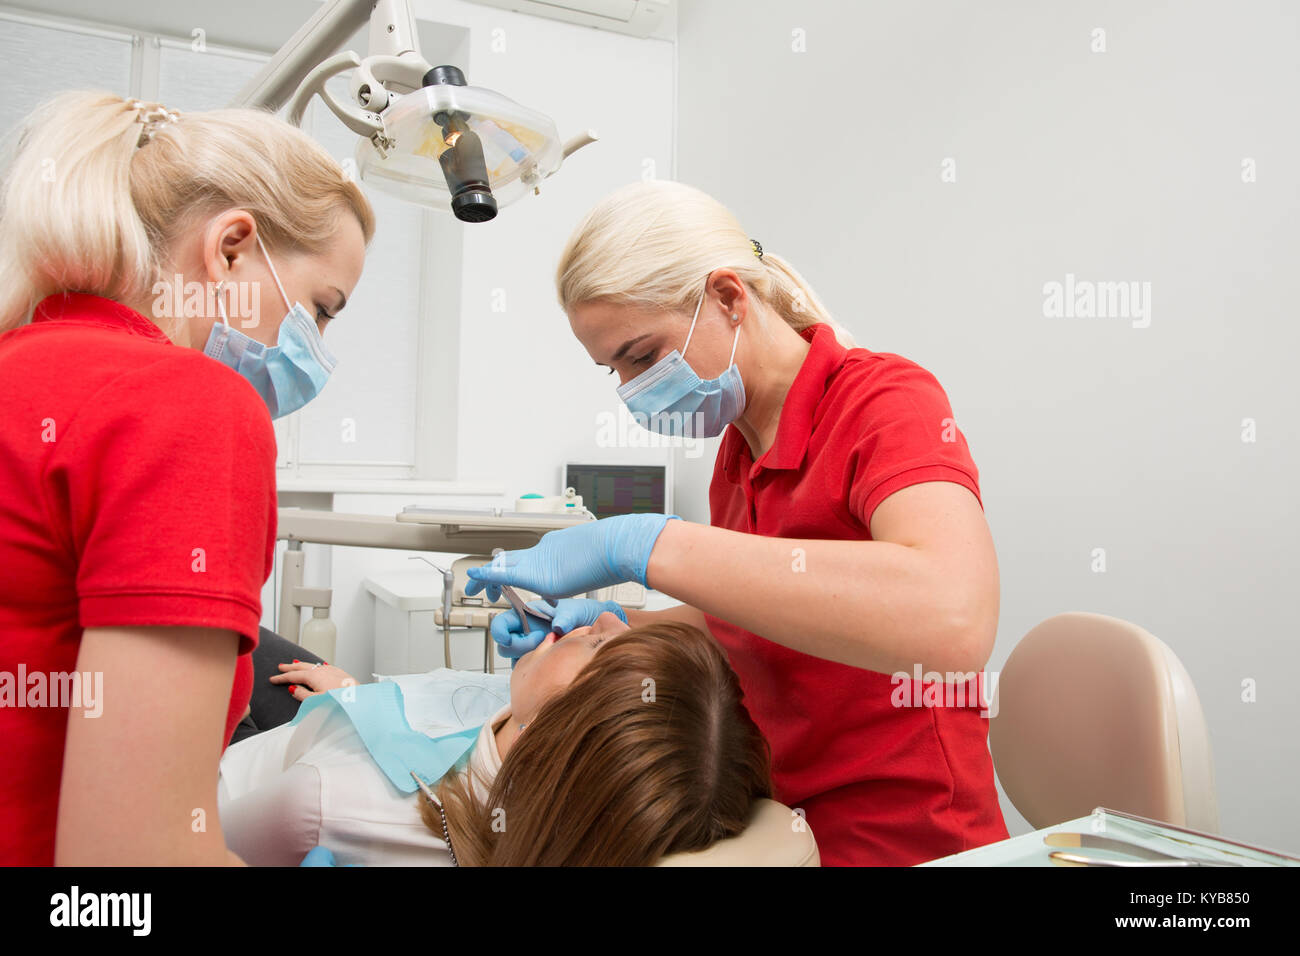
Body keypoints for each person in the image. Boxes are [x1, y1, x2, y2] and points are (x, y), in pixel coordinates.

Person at [466, 180, 1010, 866]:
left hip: (904, 834)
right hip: (775, 816)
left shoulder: (885, 401)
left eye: (641, 355)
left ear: (728, 298)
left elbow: (954, 619)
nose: (633, 390)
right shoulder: (738, 450)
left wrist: (640, 543)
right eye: (614, 371)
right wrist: (607, 625)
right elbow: (757, 624)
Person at [0, 90, 374, 865]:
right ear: (232, 248)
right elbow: (127, 871)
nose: (322, 349)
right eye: (322, 308)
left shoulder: (23, 363)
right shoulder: (188, 406)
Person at [217, 615, 775, 866]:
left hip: (243, 769)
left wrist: (211, 719)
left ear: (562, 730)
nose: (601, 616)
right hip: (336, 722)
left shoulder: (324, 801)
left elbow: (186, 840)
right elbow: (425, 751)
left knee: (221, 630)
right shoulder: (531, 774)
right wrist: (353, 699)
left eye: (601, 647)